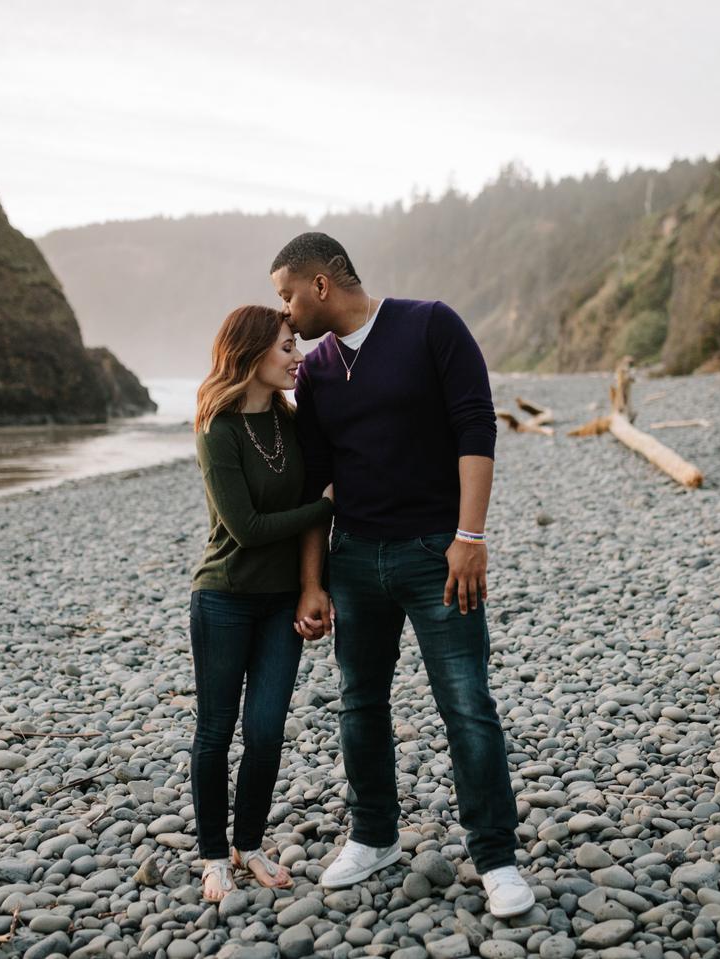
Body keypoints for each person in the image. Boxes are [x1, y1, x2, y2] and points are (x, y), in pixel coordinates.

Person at [271, 233, 534, 918]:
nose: (285, 313)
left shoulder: (429, 324)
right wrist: (313, 579)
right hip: (355, 556)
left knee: (467, 703)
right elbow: (316, 483)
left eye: (288, 294)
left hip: (435, 553)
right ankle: (374, 836)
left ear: (322, 285)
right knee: (359, 702)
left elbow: (477, 427)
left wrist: (469, 537)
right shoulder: (318, 373)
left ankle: (496, 856)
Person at [189, 305, 334, 902]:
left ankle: (248, 844)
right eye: (286, 347)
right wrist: (328, 503)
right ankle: (212, 856)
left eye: (295, 345)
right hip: (223, 597)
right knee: (216, 731)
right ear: (249, 353)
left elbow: (301, 524)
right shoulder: (216, 427)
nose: (298, 356)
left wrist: (311, 584)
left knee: (268, 732)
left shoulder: (291, 423)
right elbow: (245, 527)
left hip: (280, 605)